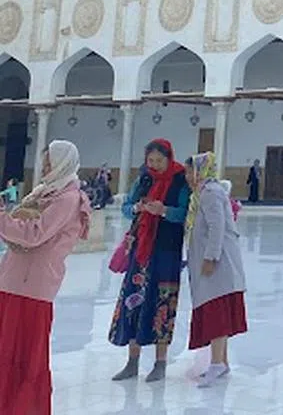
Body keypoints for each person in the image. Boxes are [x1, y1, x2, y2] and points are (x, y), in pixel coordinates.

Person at [0, 140, 91, 414]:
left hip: (32, 287)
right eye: (45, 162)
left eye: (50, 163)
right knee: (7, 348)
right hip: (14, 280)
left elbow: (34, 234)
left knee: (24, 352)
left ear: (63, 164)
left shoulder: (67, 199)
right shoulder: (46, 192)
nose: (45, 168)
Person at [109, 138, 190, 382]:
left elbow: (185, 213)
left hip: (166, 250)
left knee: (161, 302)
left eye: (159, 161)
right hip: (141, 250)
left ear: (169, 158)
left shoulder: (180, 180)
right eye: (151, 160)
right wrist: (137, 208)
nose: (154, 165)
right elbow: (126, 207)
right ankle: (132, 361)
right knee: (135, 300)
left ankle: (160, 362)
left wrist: (163, 210)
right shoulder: (144, 178)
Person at [185, 152, 248, 387]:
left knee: (216, 311)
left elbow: (217, 227)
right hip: (212, 261)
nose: (187, 176)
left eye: (190, 171)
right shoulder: (203, 192)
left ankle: (216, 364)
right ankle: (222, 361)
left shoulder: (210, 193)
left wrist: (211, 257)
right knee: (216, 307)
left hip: (217, 263)